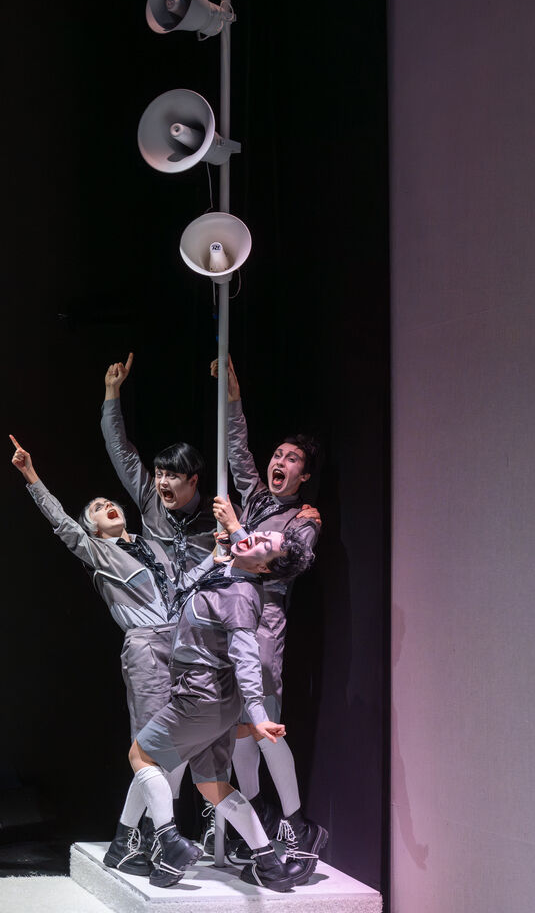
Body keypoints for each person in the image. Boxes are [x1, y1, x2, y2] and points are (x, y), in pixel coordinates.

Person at [7, 434, 189, 875]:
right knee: (152, 749)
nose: (106, 504)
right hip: (146, 647)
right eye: (96, 508)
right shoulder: (98, 551)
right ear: (92, 529)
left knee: (177, 748)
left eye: (109, 501)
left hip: (183, 646)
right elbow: (62, 525)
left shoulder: (153, 545)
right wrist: (31, 475)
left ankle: (127, 838)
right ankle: (158, 837)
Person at [105, 525, 320, 891]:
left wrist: (258, 714)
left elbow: (247, 657)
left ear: (264, 567)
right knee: (212, 784)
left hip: (200, 695)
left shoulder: (239, 595)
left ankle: (169, 841)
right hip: (215, 699)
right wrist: (221, 549)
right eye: (262, 534)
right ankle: (269, 864)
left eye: (265, 544)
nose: (256, 537)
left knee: (142, 756)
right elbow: (211, 570)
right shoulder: (232, 572)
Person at [207, 357, 328, 867]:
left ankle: (299, 825)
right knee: (239, 727)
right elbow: (237, 449)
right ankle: (256, 819)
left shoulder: (304, 520)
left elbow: (288, 562)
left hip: (264, 622)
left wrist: (237, 531)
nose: (280, 461)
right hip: (233, 615)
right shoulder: (257, 496)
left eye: (291, 458)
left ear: (304, 474)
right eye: (277, 454)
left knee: (265, 725)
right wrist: (233, 395)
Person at [102, 353, 218, 574]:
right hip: (156, 593)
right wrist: (112, 390)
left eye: (172, 476)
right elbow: (119, 449)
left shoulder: (217, 513)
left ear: (193, 480)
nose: (162, 482)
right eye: (159, 474)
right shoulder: (150, 498)